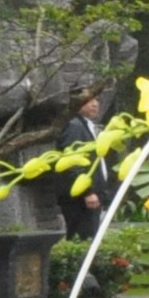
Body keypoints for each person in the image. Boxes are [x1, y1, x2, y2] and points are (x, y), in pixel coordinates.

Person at [58, 90, 106, 239]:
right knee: (83, 238)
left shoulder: (85, 125)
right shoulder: (75, 126)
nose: (94, 104)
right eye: (88, 100)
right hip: (81, 199)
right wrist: (88, 192)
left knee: (90, 237)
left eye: (96, 100)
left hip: (91, 196)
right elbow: (71, 160)